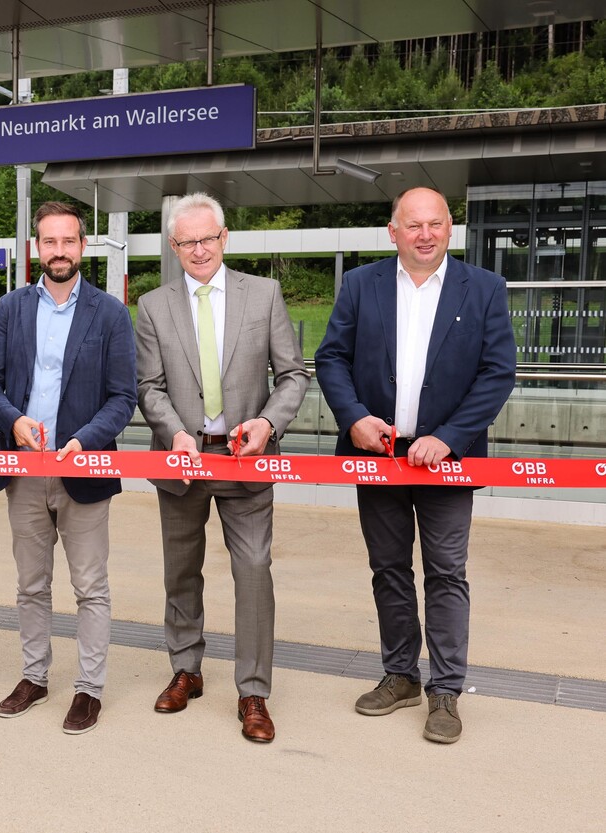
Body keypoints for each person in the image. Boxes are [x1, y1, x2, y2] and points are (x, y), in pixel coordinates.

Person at [315, 186, 516, 744]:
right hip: (377, 456)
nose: (425, 235)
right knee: (389, 568)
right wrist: (354, 418)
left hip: (446, 462)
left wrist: (449, 438)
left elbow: (497, 372)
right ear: (393, 232)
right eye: (413, 225)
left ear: (451, 228)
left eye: (435, 224)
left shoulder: (484, 288)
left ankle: (445, 690)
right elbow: (331, 358)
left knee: (447, 572)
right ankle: (400, 675)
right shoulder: (361, 285)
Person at [136, 192, 309, 743]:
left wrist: (268, 424)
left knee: (253, 571)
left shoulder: (263, 294)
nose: (199, 249)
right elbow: (148, 387)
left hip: (246, 460)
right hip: (182, 460)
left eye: (207, 238)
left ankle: (253, 690)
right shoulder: (153, 306)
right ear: (174, 246)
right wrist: (175, 433)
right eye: (187, 241)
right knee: (181, 570)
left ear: (225, 237)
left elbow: (293, 375)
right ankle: (186, 669)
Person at [0, 201, 136, 735]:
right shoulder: (12, 307)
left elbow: (123, 396)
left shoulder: (109, 313)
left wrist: (85, 439)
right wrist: (14, 420)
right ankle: (34, 677)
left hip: (83, 470)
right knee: (30, 584)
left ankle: (89, 688)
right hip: (23, 469)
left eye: (68, 241)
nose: (59, 251)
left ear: (82, 247)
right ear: (36, 248)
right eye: (49, 241)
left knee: (90, 587)